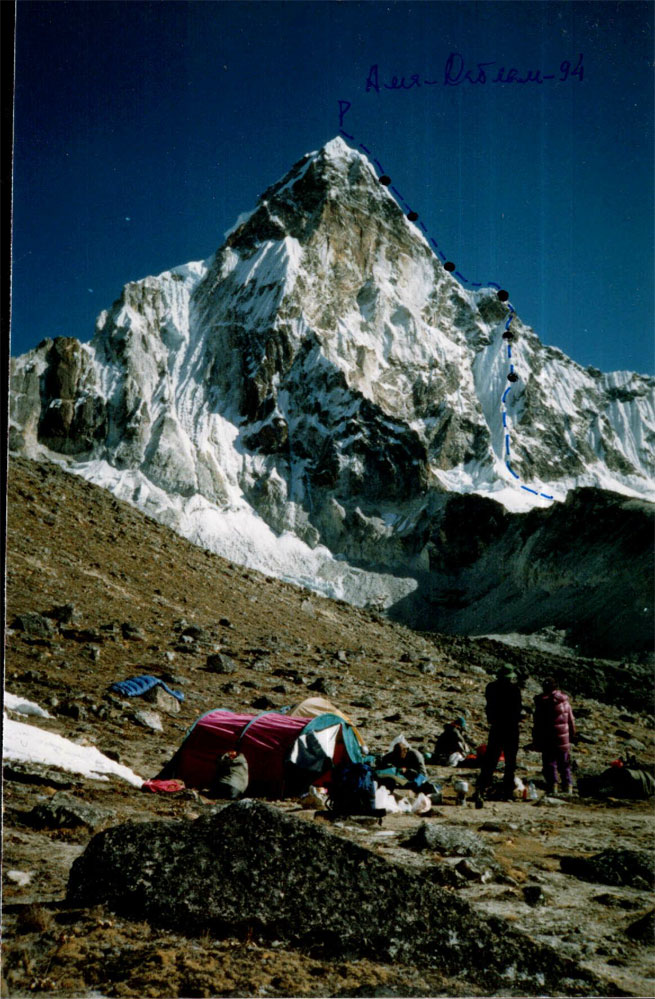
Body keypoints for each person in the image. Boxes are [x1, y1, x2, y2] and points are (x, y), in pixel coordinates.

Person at [474, 663, 522, 806]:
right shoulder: (515, 690)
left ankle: (482, 788)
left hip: (496, 728)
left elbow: (489, 707)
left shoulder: (491, 688)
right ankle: (507, 792)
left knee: (491, 759)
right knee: (510, 761)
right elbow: (518, 710)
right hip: (512, 728)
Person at [532, 678, 576, 795]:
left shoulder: (543, 702)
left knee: (550, 763)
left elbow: (538, 723)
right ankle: (568, 786)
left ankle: (553, 786)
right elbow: (571, 720)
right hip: (563, 738)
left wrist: (536, 739)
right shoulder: (565, 701)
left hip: (548, 738)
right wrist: (571, 735)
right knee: (564, 763)